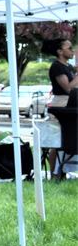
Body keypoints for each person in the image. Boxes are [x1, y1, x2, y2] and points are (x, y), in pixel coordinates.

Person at [41, 38, 77, 178]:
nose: (72, 50)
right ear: (60, 51)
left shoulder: (67, 67)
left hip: (70, 104)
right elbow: (68, 88)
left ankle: (63, 170)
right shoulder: (57, 67)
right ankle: (54, 173)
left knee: (68, 139)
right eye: (69, 48)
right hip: (61, 105)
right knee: (56, 141)